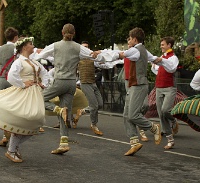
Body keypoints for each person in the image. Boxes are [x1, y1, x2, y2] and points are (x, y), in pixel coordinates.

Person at [35, 23, 114, 155]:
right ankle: (64, 143)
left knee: (39, 99)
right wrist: (104, 54)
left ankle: (58, 110)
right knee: (65, 114)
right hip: (71, 83)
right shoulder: (78, 47)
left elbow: (39, 56)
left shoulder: (55, 45)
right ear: (74, 34)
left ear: (62, 32)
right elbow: (94, 56)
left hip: (59, 80)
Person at [0, 37, 50, 163]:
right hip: (24, 94)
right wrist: (22, 83)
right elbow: (11, 76)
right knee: (23, 120)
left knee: (36, 122)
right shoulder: (19, 61)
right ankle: (11, 150)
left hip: (35, 94)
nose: (33, 46)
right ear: (24, 47)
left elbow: (45, 73)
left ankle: (13, 148)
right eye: (31, 44)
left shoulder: (34, 62)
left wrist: (44, 83)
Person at [118, 27, 161, 156]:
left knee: (133, 115)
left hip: (139, 85)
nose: (128, 40)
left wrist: (102, 54)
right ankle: (134, 142)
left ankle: (153, 127)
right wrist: (160, 60)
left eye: (130, 38)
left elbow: (121, 55)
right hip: (133, 85)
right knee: (126, 114)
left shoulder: (136, 51)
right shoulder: (142, 50)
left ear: (135, 39)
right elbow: (152, 57)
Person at [151, 36, 179, 149]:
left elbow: (171, 68)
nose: (161, 46)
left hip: (169, 88)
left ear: (169, 45)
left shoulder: (173, 58)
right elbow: (158, 71)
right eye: (161, 44)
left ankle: (173, 120)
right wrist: (154, 65)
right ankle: (170, 139)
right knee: (161, 114)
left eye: (163, 44)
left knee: (165, 110)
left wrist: (161, 61)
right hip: (159, 87)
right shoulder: (162, 57)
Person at [0, 27, 19, 147]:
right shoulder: (16, 48)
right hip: (11, 79)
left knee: (4, 108)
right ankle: (12, 134)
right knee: (14, 107)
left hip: (0, 79)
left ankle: (4, 135)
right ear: (15, 38)